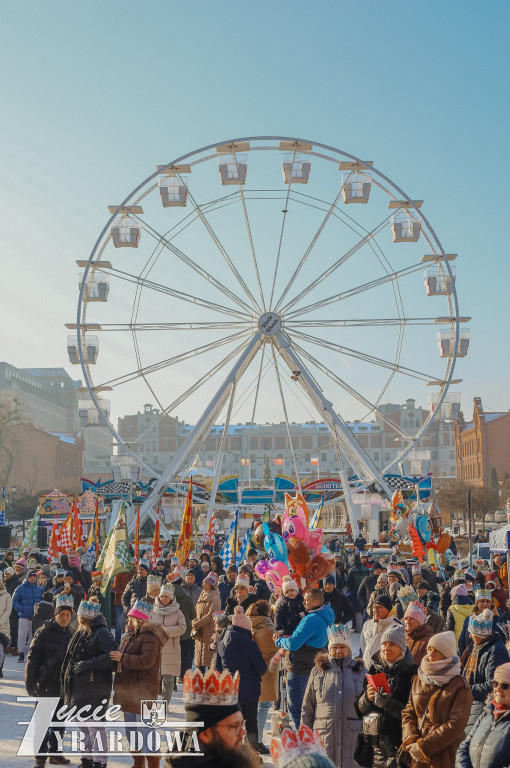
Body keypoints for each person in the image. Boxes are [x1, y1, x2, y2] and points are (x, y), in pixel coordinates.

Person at [111, 599, 169, 768]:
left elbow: (147, 661)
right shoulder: (130, 636)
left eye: (131, 618)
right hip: (130, 691)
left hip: (144, 692)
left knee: (146, 731)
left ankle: (153, 764)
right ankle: (138, 762)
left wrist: (123, 658)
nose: (128, 621)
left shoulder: (150, 637)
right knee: (131, 731)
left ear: (139, 620)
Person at [401, 630, 472, 768]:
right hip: (417, 756)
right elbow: (408, 713)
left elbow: (455, 724)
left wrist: (424, 747)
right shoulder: (419, 678)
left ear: (446, 655)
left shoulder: (459, 685)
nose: (430, 655)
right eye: (429, 649)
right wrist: (411, 741)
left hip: (446, 754)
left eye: (436, 651)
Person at [60, 597, 116, 768]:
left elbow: (112, 656)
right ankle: (87, 759)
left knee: (95, 726)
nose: (79, 620)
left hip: (96, 687)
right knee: (83, 726)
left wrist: (88, 665)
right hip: (79, 688)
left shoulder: (102, 632)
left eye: (82, 618)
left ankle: (100, 762)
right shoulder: (81, 631)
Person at [166, 667, 260, 768]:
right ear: (205, 734)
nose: (243, 732)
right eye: (234, 726)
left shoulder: (228, 757)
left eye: (241, 724)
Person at [302, 623, 366, 767]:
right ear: (329, 649)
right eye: (334, 647)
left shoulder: (361, 671)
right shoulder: (318, 672)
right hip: (324, 736)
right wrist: (305, 737)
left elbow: (368, 706)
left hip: (353, 738)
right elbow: (307, 707)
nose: (338, 651)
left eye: (342, 647)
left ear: (349, 649)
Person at [355, 624, 418, 768]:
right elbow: (358, 710)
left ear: (401, 648)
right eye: (384, 644)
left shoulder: (412, 674)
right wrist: (366, 699)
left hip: (399, 748)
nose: (386, 648)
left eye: (392, 644)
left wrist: (388, 703)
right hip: (373, 749)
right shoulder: (374, 670)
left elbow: (414, 716)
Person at [274, 588, 335, 730]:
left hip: (300, 669)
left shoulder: (311, 619)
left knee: (298, 713)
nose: (304, 602)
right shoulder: (324, 616)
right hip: (313, 668)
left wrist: (279, 641)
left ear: (316, 601)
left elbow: (293, 643)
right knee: (310, 711)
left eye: (307, 600)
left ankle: (302, 745)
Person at [25, 593, 74, 767]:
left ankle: (56, 753)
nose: (64, 618)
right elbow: (32, 659)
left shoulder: (71, 634)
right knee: (43, 724)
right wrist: (30, 682)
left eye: (68, 615)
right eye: (62, 614)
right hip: (45, 685)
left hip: (62, 687)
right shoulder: (44, 632)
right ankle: (40, 758)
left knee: (59, 722)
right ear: (56, 614)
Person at [215, 606, 267, 751]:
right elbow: (261, 669)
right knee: (251, 722)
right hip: (250, 690)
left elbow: (217, 668)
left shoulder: (221, 643)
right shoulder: (251, 646)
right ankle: (252, 755)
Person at [461, 608, 509, 732]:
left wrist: (466, 689)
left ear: (481, 635)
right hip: (472, 697)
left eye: (473, 634)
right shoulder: (478, 645)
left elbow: (491, 686)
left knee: (468, 731)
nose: (470, 636)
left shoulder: (496, 651)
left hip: (483, 702)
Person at [456, 661, 510, 768]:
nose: (498, 689)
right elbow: (464, 748)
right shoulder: (486, 713)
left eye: (504, 685)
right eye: (495, 683)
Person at [245, 600, 279, 754]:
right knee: (263, 706)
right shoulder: (268, 629)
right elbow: (280, 646)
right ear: (267, 613)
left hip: (248, 671)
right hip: (264, 671)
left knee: (251, 706)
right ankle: (256, 740)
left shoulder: (246, 625)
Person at [152, 582, 186, 706]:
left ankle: (165, 704)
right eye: (161, 596)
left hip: (171, 649)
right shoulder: (154, 611)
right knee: (154, 679)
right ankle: (153, 704)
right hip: (155, 649)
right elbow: (149, 625)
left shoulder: (177, 612)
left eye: (166, 596)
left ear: (171, 597)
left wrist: (165, 631)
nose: (163, 599)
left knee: (168, 680)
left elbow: (182, 628)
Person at [360, 593, 401, 671]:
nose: (375, 611)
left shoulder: (397, 627)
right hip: (366, 669)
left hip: (385, 671)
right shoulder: (367, 624)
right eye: (374, 607)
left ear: (388, 610)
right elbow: (363, 645)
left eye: (379, 608)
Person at [168, 570, 196, 681]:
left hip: (171, 631)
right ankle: (183, 677)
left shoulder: (166, 598)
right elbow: (193, 616)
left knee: (172, 657)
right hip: (185, 632)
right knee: (185, 656)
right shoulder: (188, 598)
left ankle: (173, 681)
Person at [12, 569, 44, 663]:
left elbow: (43, 600)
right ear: (27, 578)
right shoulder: (20, 588)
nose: (33, 578)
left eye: (34, 577)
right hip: (24, 616)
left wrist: (40, 610)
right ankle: (21, 653)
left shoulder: (40, 588)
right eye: (31, 577)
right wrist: (22, 609)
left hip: (35, 617)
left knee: (33, 636)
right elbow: (14, 601)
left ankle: (31, 654)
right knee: (22, 635)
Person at [193, 571, 221, 673]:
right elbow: (196, 611)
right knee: (199, 661)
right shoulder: (202, 595)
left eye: (207, 584)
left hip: (209, 631)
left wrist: (197, 623)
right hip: (200, 632)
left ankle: (209, 685)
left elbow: (211, 615)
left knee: (209, 660)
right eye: (204, 583)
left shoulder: (215, 597)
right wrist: (194, 622)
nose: (204, 585)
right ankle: (200, 684)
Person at [459, 588, 499, 656]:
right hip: (471, 658)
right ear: (477, 604)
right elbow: (462, 642)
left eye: (488, 602)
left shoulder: (496, 619)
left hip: (489, 656)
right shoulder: (469, 619)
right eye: (482, 601)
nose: (485, 604)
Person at [403, 600, 435, 666]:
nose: (408, 622)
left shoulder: (428, 640)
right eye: (406, 618)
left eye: (412, 619)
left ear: (420, 622)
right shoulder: (403, 636)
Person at [346, 555, 370, 633]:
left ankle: (359, 628)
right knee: (365, 609)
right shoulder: (366, 569)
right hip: (365, 590)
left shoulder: (352, 570)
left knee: (357, 610)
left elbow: (349, 582)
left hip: (355, 591)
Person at [4, 566, 21, 653]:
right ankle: (9, 645)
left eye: (8, 574)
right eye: (5, 574)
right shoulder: (5, 584)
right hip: (6, 609)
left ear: (11, 574)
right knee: (8, 628)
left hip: (15, 609)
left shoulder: (17, 583)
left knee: (15, 628)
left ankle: (15, 646)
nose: (6, 575)